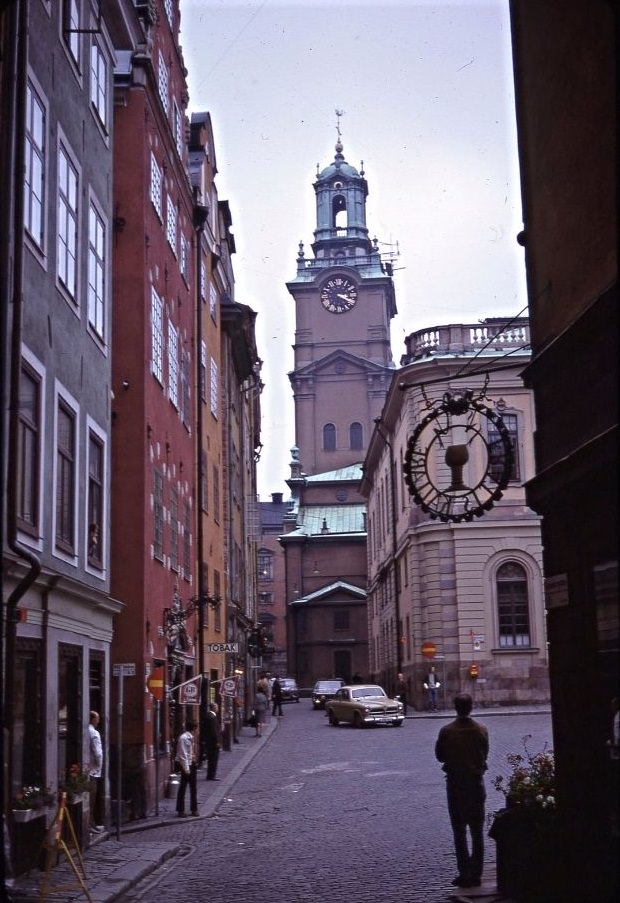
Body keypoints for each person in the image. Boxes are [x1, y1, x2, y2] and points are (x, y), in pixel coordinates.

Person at [435, 693, 489, 889]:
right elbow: (485, 752)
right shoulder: (481, 730)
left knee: (459, 831)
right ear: (471, 707)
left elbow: (440, 756)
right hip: (475, 784)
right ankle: (476, 873)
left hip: (456, 785)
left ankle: (464, 872)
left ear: (455, 707)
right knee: (477, 832)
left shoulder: (447, 731)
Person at [175, 720, 198, 817]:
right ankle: (180, 810)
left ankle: (194, 809)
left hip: (191, 763)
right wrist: (186, 768)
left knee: (193, 787)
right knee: (183, 787)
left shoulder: (190, 737)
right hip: (185, 764)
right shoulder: (184, 738)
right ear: (194, 728)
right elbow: (183, 755)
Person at [87, 710, 105, 832]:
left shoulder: (85, 731)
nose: (98, 721)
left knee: (91, 799)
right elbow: (98, 753)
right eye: (97, 719)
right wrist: (99, 765)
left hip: (88, 769)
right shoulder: (94, 733)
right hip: (93, 770)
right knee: (92, 799)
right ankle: (91, 825)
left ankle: (91, 823)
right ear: (93, 719)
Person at [203, 703, 222, 780]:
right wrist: (217, 741)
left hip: (209, 742)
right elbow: (213, 731)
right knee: (213, 759)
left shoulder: (209, 716)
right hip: (213, 743)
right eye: (217, 707)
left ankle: (210, 775)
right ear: (213, 708)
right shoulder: (212, 717)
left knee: (211, 759)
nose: (218, 708)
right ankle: (211, 775)